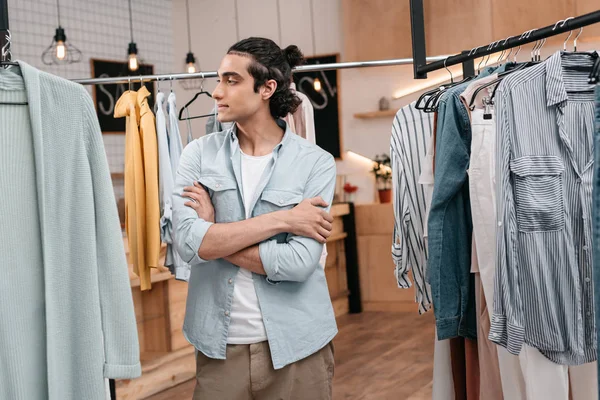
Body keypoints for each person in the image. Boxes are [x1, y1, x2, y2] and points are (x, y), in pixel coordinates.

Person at [172, 37, 338, 400]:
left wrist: (213, 235)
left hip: (298, 347)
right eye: (218, 80)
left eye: (231, 81)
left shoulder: (315, 163)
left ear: (267, 88)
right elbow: (186, 243)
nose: (217, 92)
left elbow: (298, 262)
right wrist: (283, 222)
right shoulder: (197, 155)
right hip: (218, 349)